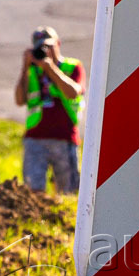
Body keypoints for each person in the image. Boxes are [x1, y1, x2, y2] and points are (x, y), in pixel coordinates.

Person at [13, 26, 84, 194]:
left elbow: (73, 92)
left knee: (68, 191)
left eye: (48, 46)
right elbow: (19, 100)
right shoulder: (32, 69)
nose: (45, 51)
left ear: (58, 44)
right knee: (33, 191)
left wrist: (50, 68)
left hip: (64, 136)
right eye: (40, 47)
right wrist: (25, 68)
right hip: (35, 136)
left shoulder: (71, 66)